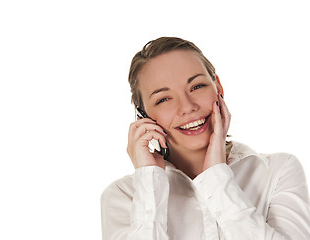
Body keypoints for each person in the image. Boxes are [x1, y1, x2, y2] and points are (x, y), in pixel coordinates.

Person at [100, 37, 310, 239]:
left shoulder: (278, 172)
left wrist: (216, 177)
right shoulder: (124, 196)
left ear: (218, 87)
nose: (188, 107)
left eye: (197, 86)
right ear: (142, 116)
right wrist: (149, 181)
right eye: (163, 99)